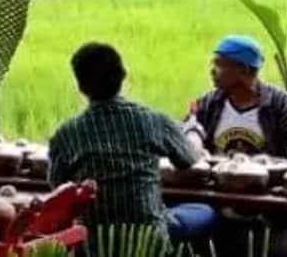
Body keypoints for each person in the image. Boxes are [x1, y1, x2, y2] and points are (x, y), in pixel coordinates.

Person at [48, 42, 215, 244]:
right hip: (149, 239)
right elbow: (188, 158)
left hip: (95, 243)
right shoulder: (152, 120)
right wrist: (193, 130)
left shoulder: (65, 135)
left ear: (81, 86)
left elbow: (57, 186)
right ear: (122, 75)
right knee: (205, 211)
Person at [182, 34, 287, 160]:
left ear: (243, 69)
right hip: (220, 185)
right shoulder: (208, 103)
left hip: (265, 186)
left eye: (219, 64)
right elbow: (187, 130)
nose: (213, 71)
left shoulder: (278, 102)